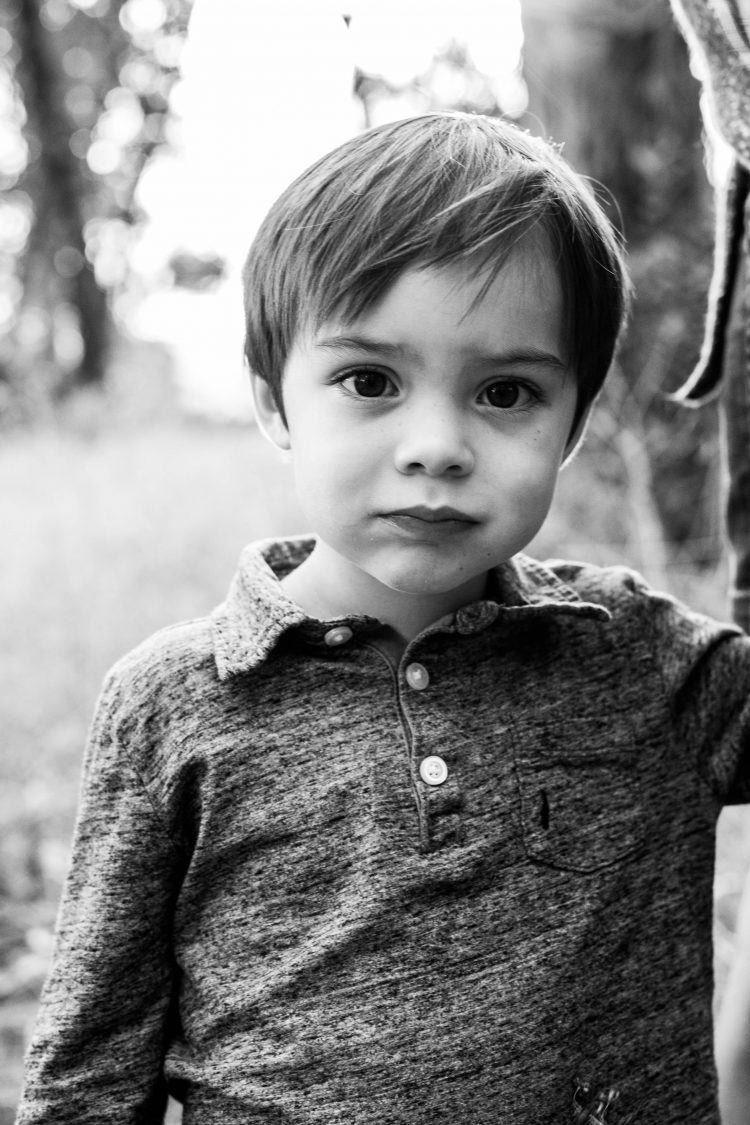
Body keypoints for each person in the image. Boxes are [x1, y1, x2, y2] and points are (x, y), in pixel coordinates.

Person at [14, 112, 750, 1125]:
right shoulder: (174, 703)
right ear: (274, 402)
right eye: (370, 382)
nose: (437, 445)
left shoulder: (643, 661)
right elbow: (90, 1071)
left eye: (506, 392)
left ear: (573, 426)